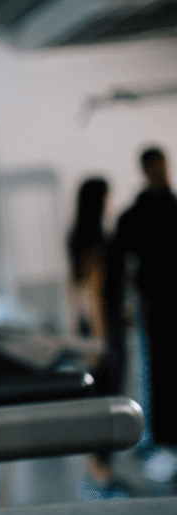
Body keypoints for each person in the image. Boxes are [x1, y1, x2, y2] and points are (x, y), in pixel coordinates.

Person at [107, 147, 177, 484]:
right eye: (159, 167)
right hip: (154, 307)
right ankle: (162, 441)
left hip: (168, 304)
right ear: (147, 170)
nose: (164, 172)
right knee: (158, 373)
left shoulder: (171, 208)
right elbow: (119, 266)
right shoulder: (136, 216)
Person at [66, 178, 128, 501]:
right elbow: (93, 290)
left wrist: (79, 333)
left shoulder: (76, 235)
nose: (109, 202)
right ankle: (99, 476)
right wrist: (102, 341)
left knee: (98, 402)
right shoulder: (96, 238)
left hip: (89, 330)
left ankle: (100, 473)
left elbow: (74, 290)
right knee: (106, 403)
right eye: (106, 197)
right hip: (103, 332)